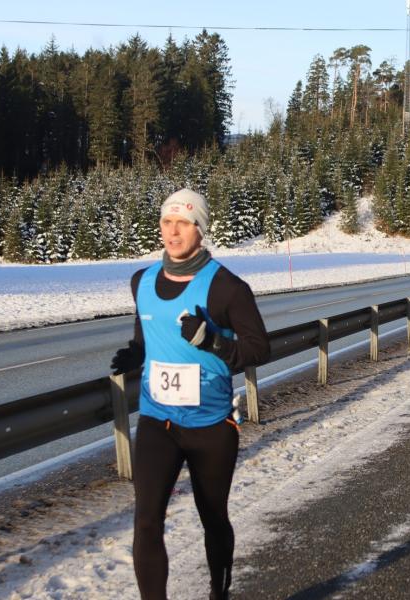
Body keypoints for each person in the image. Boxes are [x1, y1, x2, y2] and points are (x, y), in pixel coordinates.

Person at [110, 188, 270, 600]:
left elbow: (258, 349)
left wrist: (214, 342)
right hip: (157, 421)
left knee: (213, 518)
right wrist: (136, 353)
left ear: (200, 228)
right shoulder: (141, 281)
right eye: (167, 222)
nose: (173, 232)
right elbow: (149, 334)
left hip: (211, 426)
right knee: (146, 521)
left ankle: (219, 593)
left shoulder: (227, 288)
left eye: (183, 223)